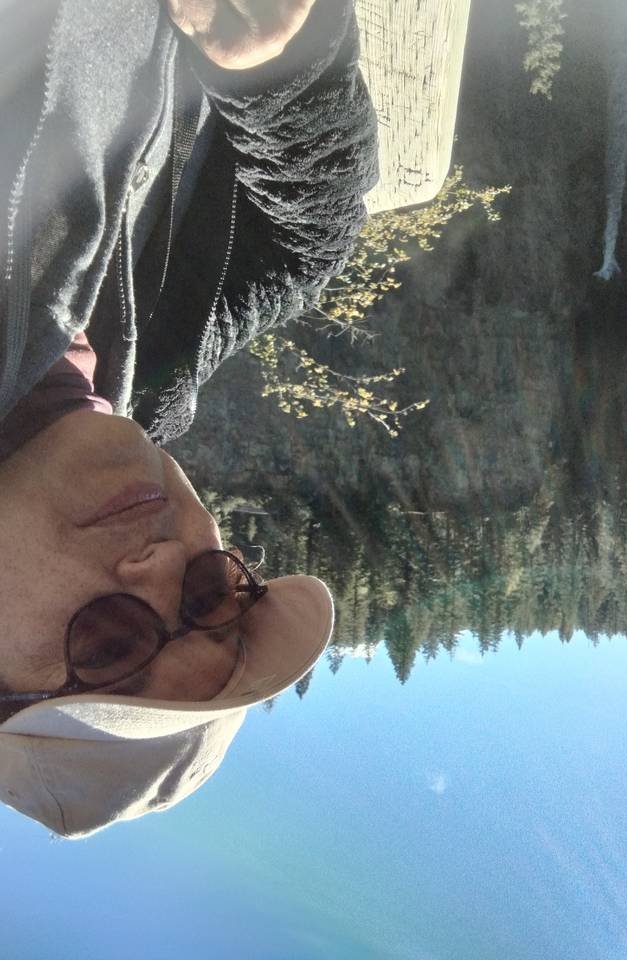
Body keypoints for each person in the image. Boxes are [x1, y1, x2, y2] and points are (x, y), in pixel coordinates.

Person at [0, 0, 378, 833]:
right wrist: (273, 69)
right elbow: (308, 240)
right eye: (213, 594)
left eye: (109, 646)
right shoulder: (158, 365)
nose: (166, 563)